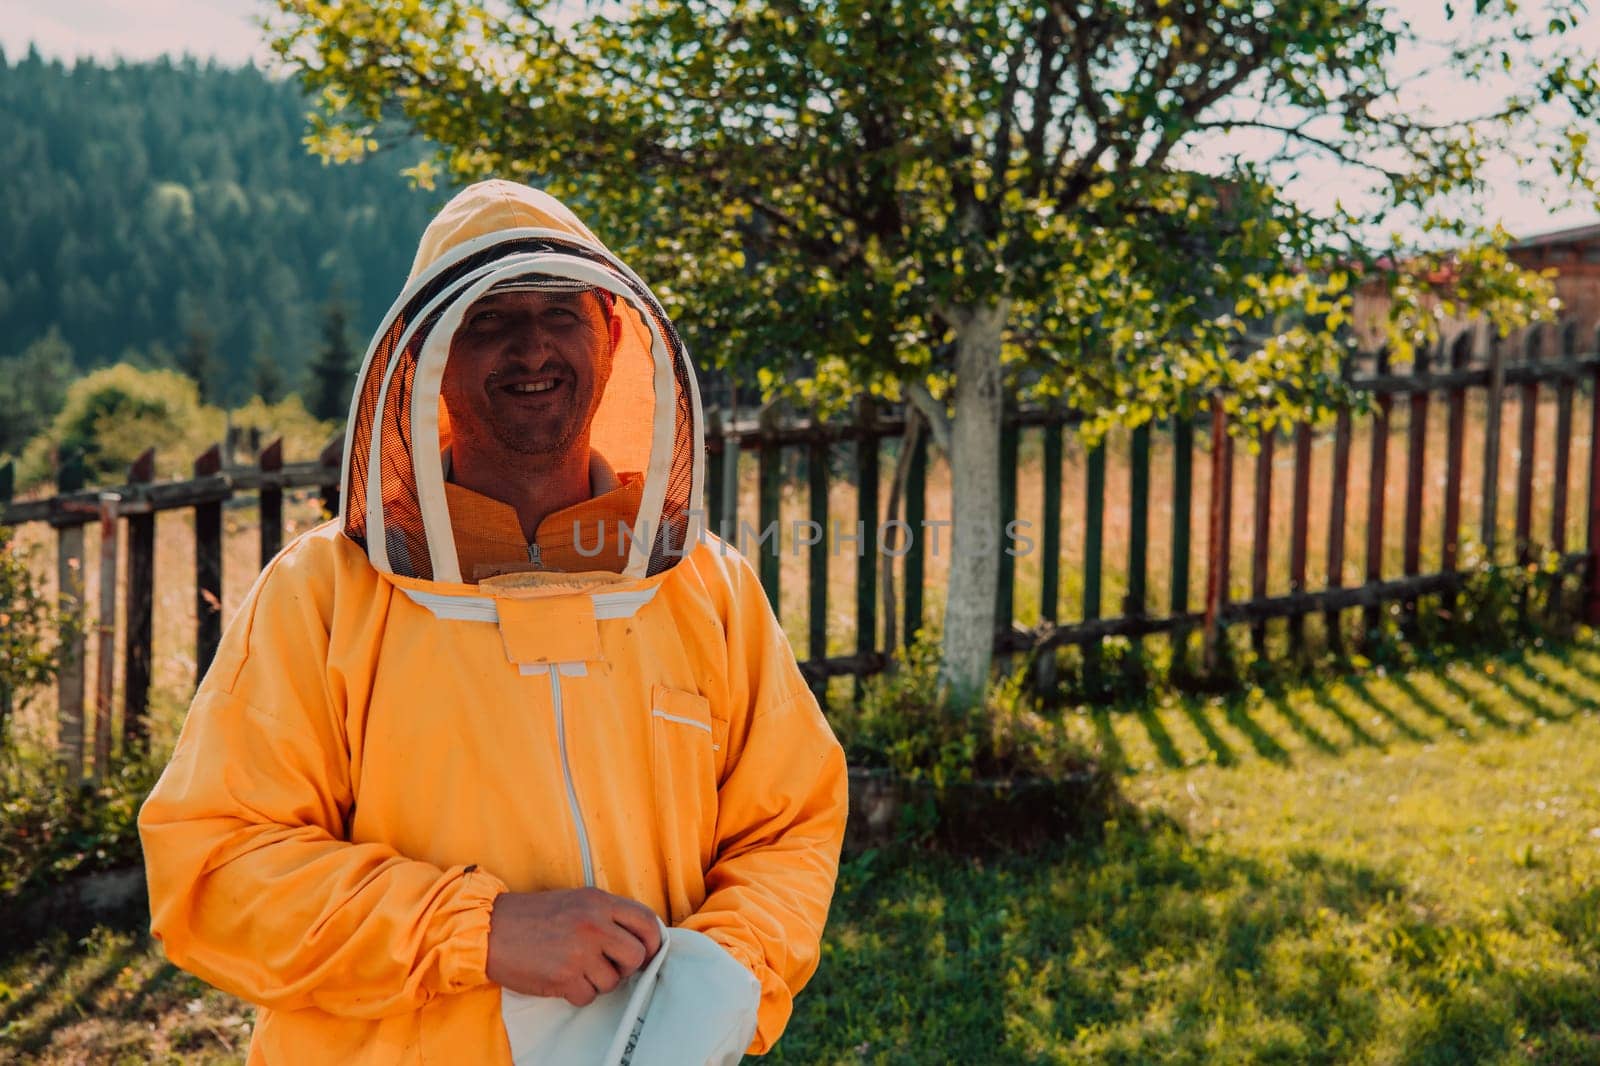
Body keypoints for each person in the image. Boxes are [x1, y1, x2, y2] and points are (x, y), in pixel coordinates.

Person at [138, 179, 850, 1064]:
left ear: (615, 334)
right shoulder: (321, 594)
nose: (532, 346)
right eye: (488, 318)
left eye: (561, 312)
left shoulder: (707, 588)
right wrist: (479, 931)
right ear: (426, 359)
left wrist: (712, 978)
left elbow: (790, 824)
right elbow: (215, 868)